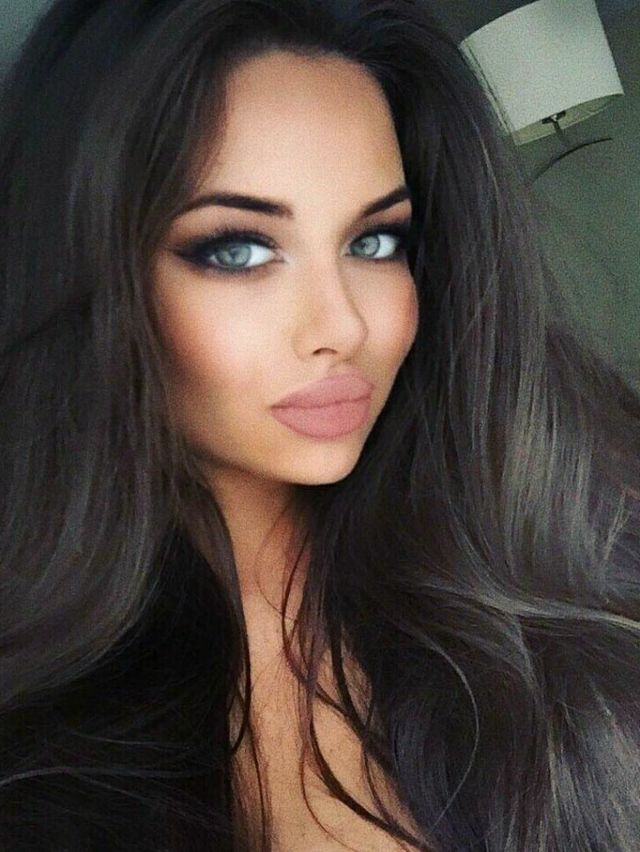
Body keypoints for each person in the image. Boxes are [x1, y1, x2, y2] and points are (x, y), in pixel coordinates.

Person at [1, 0, 639, 850]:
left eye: (374, 242)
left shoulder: (558, 538)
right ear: (85, 275)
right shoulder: (35, 702)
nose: (343, 325)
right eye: (237, 250)